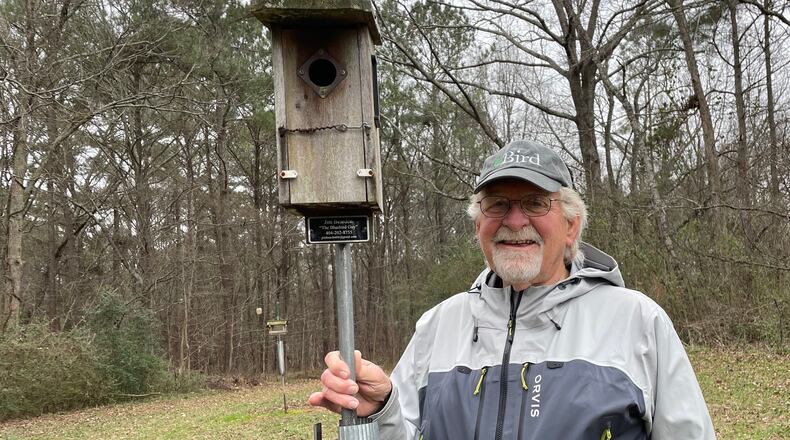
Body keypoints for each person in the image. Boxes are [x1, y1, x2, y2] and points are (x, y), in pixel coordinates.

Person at [309, 140, 715, 439]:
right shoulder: (438, 325)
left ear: (571, 224)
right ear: (478, 224)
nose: (515, 220)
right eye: (497, 204)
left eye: (537, 203)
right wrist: (383, 410)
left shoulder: (637, 322)